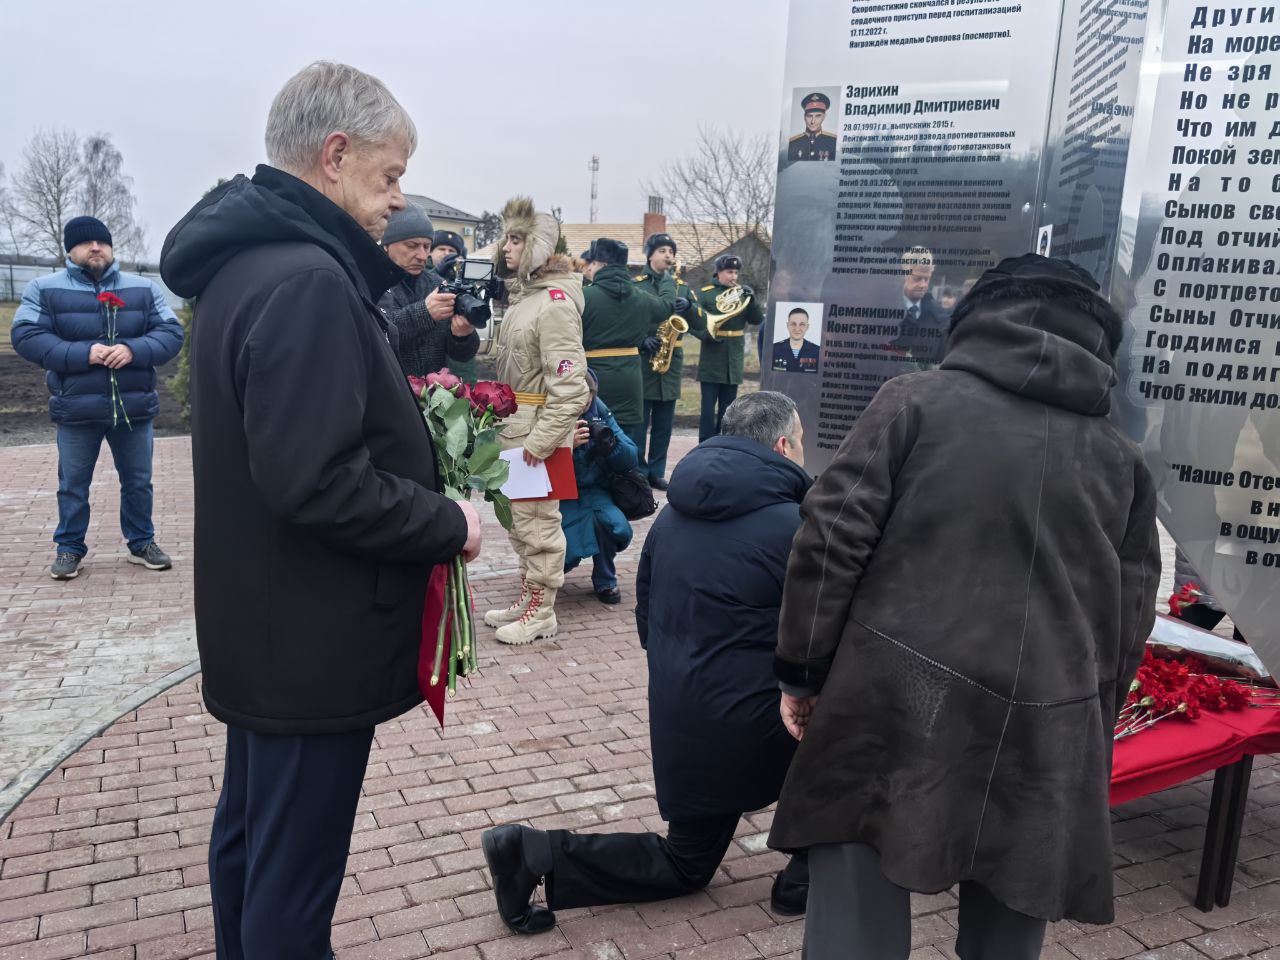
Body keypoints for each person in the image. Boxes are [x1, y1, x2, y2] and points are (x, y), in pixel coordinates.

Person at [159, 61, 483, 959]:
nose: (399, 199)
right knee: (293, 882)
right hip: (310, 633)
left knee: (255, 844)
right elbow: (319, 481)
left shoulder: (249, 263)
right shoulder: (307, 280)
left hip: (265, 622)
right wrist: (448, 523)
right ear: (334, 156)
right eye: (390, 174)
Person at [768, 255, 1160, 959]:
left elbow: (830, 538)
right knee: (1013, 907)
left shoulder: (913, 402)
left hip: (892, 688)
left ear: (980, 318)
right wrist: (1092, 716)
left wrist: (803, 669)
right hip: (1049, 708)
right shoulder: (1121, 458)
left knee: (856, 884)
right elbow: (1130, 612)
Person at [482, 391, 812, 934]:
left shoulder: (674, 514)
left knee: (687, 864)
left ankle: (533, 852)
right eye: (799, 442)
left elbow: (646, 615)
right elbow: (814, 641)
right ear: (781, 446)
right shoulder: (796, 526)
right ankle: (807, 867)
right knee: (850, 720)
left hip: (682, 712)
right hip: (761, 720)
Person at [11, 215, 184, 580]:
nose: (95, 247)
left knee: (138, 482)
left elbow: (171, 332)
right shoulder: (44, 288)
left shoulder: (143, 288)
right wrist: (83, 353)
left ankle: (142, 543)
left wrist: (134, 349)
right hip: (76, 407)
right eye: (86, 242)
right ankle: (69, 548)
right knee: (73, 485)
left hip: (133, 407)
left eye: (102, 242)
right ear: (69, 250)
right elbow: (26, 335)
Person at [482, 196, 589, 645]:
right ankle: (528, 597)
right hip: (516, 430)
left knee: (540, 525)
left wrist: (541, 442)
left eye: (516, 239)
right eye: (506, 238)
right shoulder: (527, 298)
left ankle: (541, 611)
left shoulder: (555, 304)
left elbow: (571, 387)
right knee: (519, 523)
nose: (506, 247)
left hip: (536, 435)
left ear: (538, 246)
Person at [580, 237, 665, 456]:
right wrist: (668, 281)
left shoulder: (583, 297)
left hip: (593, 380)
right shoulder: (641, 297)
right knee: (626, 446)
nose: (590, 268)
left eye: (593, 263)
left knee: (590, 445)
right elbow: (665, 308)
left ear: (601, 264)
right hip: (630, 382)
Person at [633, 232, 703, 490]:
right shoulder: (636, 285)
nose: (668, 255)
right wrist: (641, 340)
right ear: (650, 254)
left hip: (671, 362)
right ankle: (638, 471)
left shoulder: (682, 288)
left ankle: (656, 471)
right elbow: (625, 320)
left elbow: (701, 324)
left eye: (671, 252)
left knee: (664, 423)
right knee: (640, 422)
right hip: (644, 360)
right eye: (662, 250)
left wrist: (691, 308)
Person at [561, 370, 636, 604]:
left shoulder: (600, 411)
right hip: (559, 491)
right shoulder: (551, 412)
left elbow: (631, 457)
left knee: (612, 525)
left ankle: (605, 580)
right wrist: (567, 445)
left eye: (588, 401)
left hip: (594, 490)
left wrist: (610, 444)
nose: (584, 406)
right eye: (578, 402)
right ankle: (544, 575)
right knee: (561, 550)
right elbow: (533, 457)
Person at [377, 204, 479, 377]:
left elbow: (461, 356)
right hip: (388, 391)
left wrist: (462, 336)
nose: (422, 256)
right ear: (387, 244)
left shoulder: (437, 284)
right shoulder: (370, 282)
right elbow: (376, 334)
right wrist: (424, 313)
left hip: (434, 393)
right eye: (412, 245)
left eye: (426, 247)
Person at [694, 254, 763, 441]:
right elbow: (693, 321)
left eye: (736, 273)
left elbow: (756, 320)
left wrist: (752, 300)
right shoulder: (705, 294)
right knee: (708, 408)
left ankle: (724, 442)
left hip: (734, 356)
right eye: (729, 272)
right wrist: (705, 335)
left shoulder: (742, 294)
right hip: (712, 355)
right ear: (718, 272)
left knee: (729, 408)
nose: (733, 276)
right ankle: (705, 443)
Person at [430, 229, 479, 384]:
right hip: (433, 362)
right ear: (430, 252)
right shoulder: (420, 273)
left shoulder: (466, 278)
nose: (446, 254)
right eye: (441, 249)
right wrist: (437, 272)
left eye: (451, 251)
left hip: (461, 361)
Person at [890, 246, 949, 365]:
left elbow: (941, 364)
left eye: (927, 279)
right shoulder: (884, 312)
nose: (923, 285)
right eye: (917, 278)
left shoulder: (941, 319)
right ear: (902, 275)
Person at [787, 92, 837, 162]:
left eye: (818, 116)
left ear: (824, 116)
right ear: (804, 117)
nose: (813, 121)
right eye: (809, 116)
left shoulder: (833, 142)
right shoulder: (792, 144)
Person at [771, 307, 821, 373]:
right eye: (793, 324)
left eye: (802, 324)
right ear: (787, 325)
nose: (797, 329)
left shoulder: (818, 351)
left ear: (807, 327)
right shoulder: (774, 349)